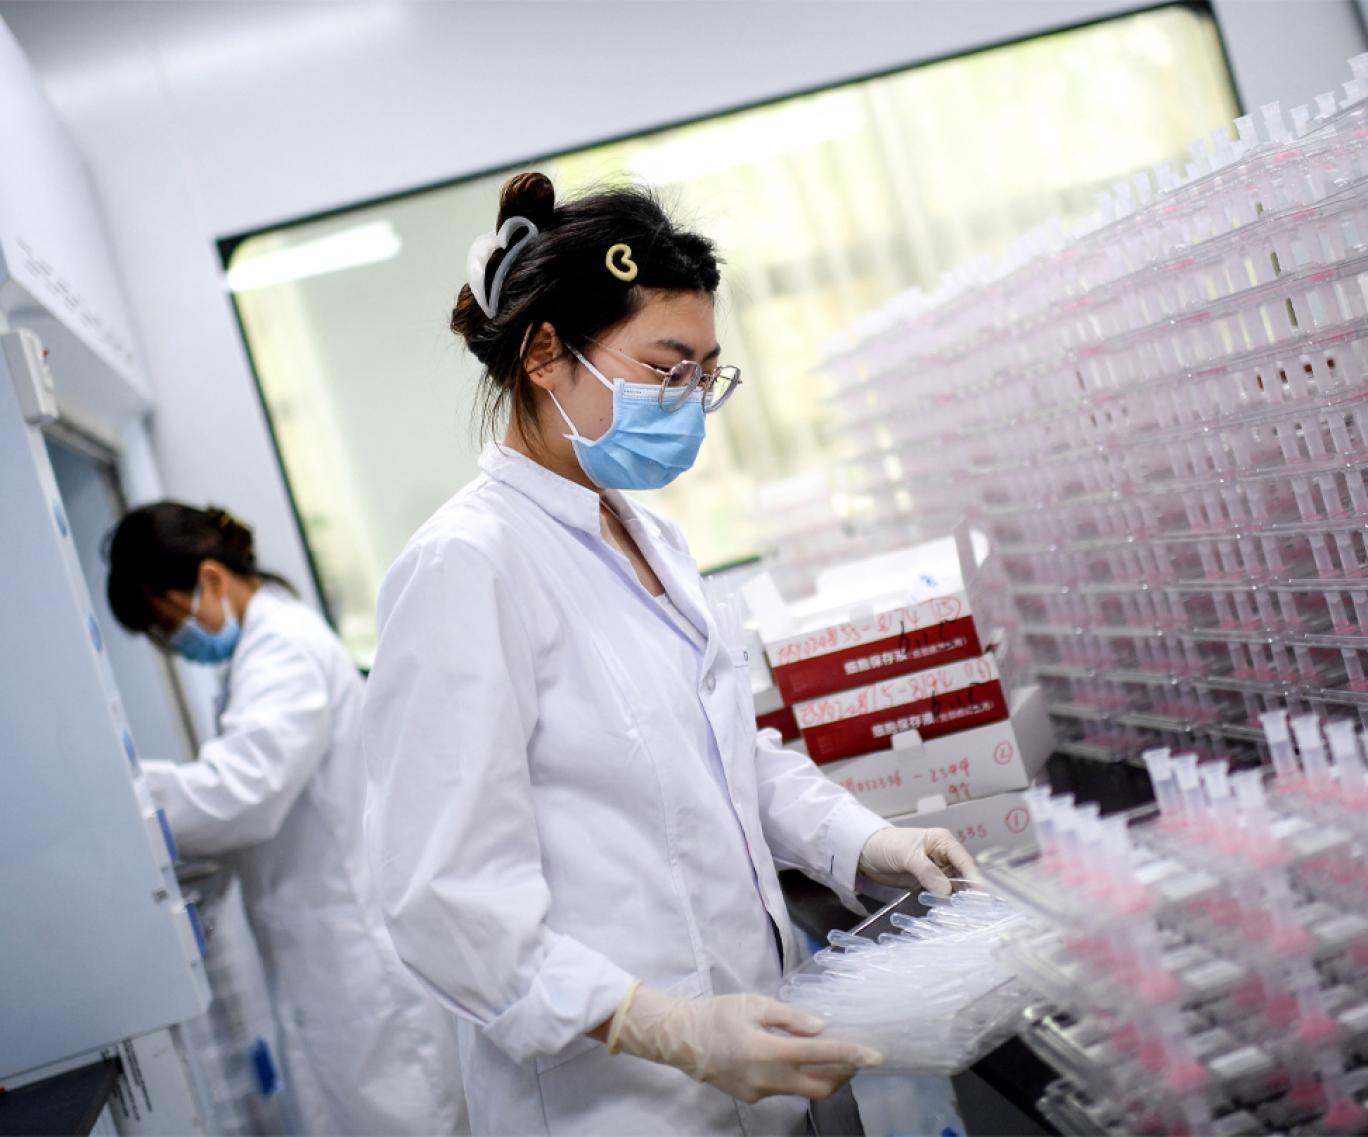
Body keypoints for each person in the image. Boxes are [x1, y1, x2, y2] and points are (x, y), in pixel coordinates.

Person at [362, 172, 978, 1137]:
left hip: (761, 1064)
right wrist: (664, 1027)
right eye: (666, 368)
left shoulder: (651, 538)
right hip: (617, 1100)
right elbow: (445, 901)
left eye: (705, 374)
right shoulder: (466, 566)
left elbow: (724, 759)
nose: (689, 400)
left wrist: (867, 843)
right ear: (544, 354)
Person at [105, 503, 468, 1137]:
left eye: (168, 622)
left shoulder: (284, 650)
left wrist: (120, 800)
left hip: (356, 958)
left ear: (211, 578)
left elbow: (244, 791)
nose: (176, 642)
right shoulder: (260, 652)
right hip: (328, 957)